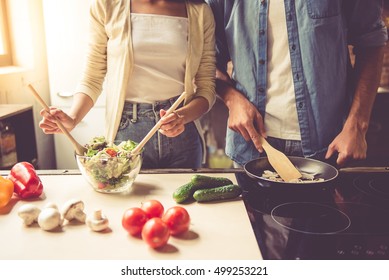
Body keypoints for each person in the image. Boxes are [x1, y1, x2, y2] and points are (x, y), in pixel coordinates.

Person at [205, 0, 387, 185]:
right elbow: (207, 60)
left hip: (329, 147)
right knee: (250, 215)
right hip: (252, 146)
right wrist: (232, 99)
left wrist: (357, 125)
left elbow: (372, 43)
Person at [39, 0, 216, 169]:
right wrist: (72, 118)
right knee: (130, 201)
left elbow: (206, 87)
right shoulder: (106, 5)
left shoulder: (199, 11)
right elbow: (92, 77)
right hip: (126, 133)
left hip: (182, 134)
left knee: (184, 201)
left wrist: (182, 116)